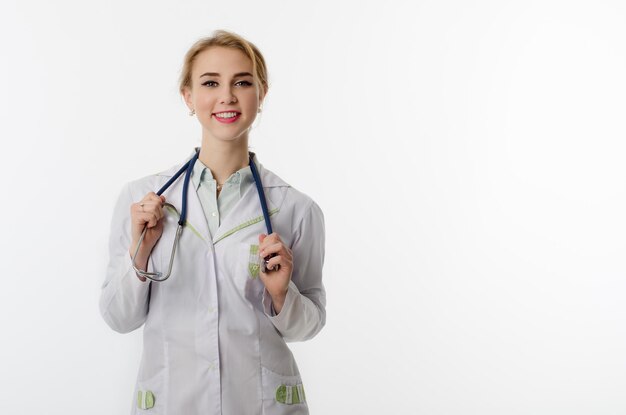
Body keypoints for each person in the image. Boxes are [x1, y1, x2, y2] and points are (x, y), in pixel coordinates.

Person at [99, 30, 326, 415]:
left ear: (262, 93)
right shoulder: (143, 201)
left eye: (242, 82)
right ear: (188, 97)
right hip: (172, 402)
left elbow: (309, 326)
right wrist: (140, 256)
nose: (227, 96)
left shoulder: (295, 208)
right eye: (210, 83)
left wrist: (281, 295)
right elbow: (119, 318)